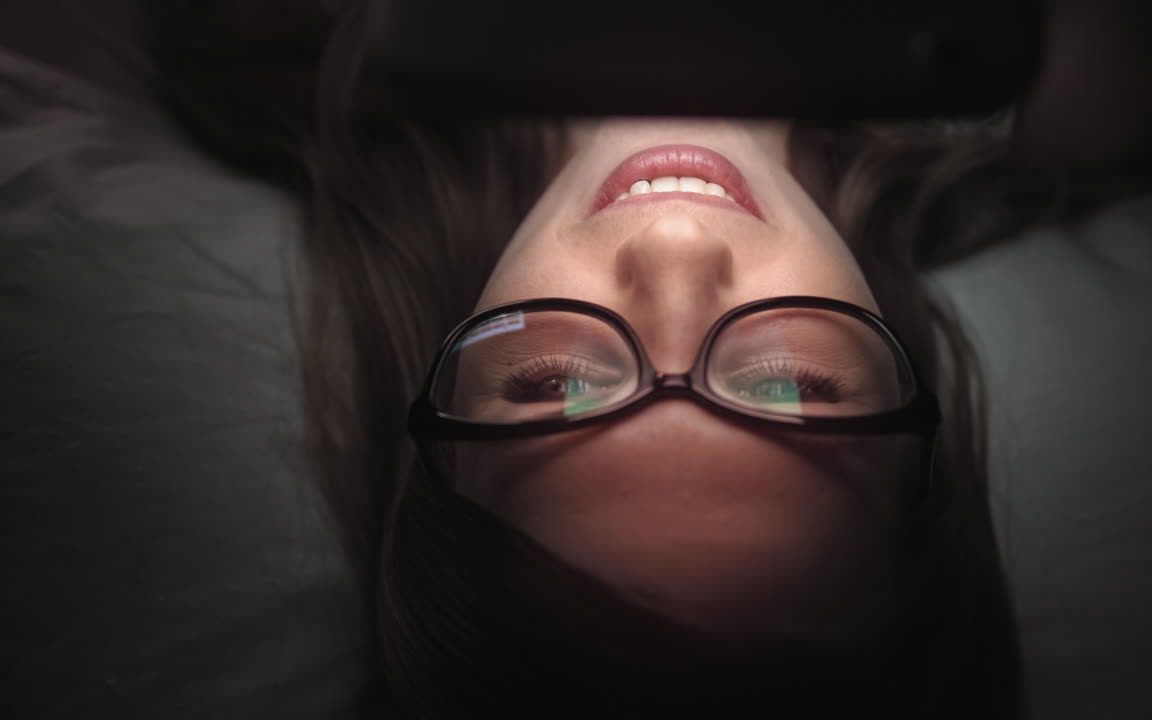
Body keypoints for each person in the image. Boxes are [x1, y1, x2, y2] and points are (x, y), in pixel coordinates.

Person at [144, 0, 1053, 716]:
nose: (675, 247)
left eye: (558, 387)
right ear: (910, 390)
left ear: (439, 387)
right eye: (786, 383)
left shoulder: (295, 49)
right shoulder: (1020, 77)